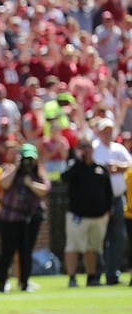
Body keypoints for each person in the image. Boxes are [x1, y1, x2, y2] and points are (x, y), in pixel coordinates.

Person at [0, 144, 51, 293]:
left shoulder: (37, 173)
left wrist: (29, 183)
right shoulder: (10, 169)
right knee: (7, 251)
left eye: (31, 159)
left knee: (26, 251)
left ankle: (24, 282)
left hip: (29, 219)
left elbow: (45, 190)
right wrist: (16, 167)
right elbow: (3, 183)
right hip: (10, 218)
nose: (28, 162)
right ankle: (2, 282)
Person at [61, 139, 113, 287]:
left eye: (88, 147)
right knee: (73, 246)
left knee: (92, 247)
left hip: (98, 216)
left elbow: (108, 191)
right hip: (77, 215)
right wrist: (78, 161)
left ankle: (92, 277)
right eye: (83, 147)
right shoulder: (75, 166)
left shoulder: (100, 168)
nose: (87, 150)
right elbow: (64, 177)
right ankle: (72, 277)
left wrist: (109, 209)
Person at [91, 118, 131, 285]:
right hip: (100, 199)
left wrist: (118, 167)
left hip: (118, 198)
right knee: (99, 238)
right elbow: (92, 169)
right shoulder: (94, 148)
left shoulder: (119, 148)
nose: (107, 133)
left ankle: (112, 274)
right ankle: (97, 274)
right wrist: (106, 169)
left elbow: (129, 165)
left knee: (118, 237)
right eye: (104, 130)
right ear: (99, 132)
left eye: (110, 130)